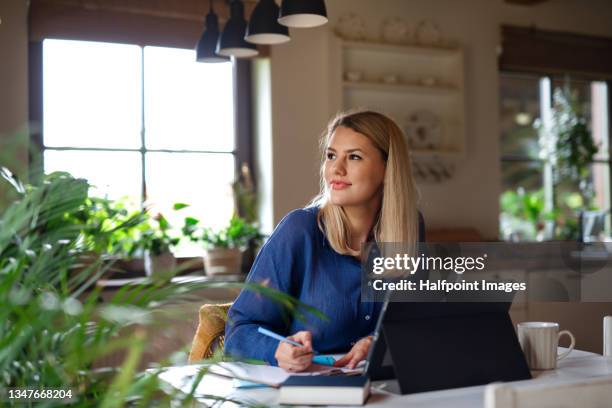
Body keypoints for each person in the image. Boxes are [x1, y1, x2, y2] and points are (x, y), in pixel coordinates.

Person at [224, 110, 424, 372]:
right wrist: (277, 350)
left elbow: (414, 323)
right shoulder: (299, 231)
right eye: (331, 156)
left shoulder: (408, 228)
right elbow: (237, 334)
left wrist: (376, 342)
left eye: (353, 157)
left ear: (388, 169)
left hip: (380, 390)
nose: (336, 169)